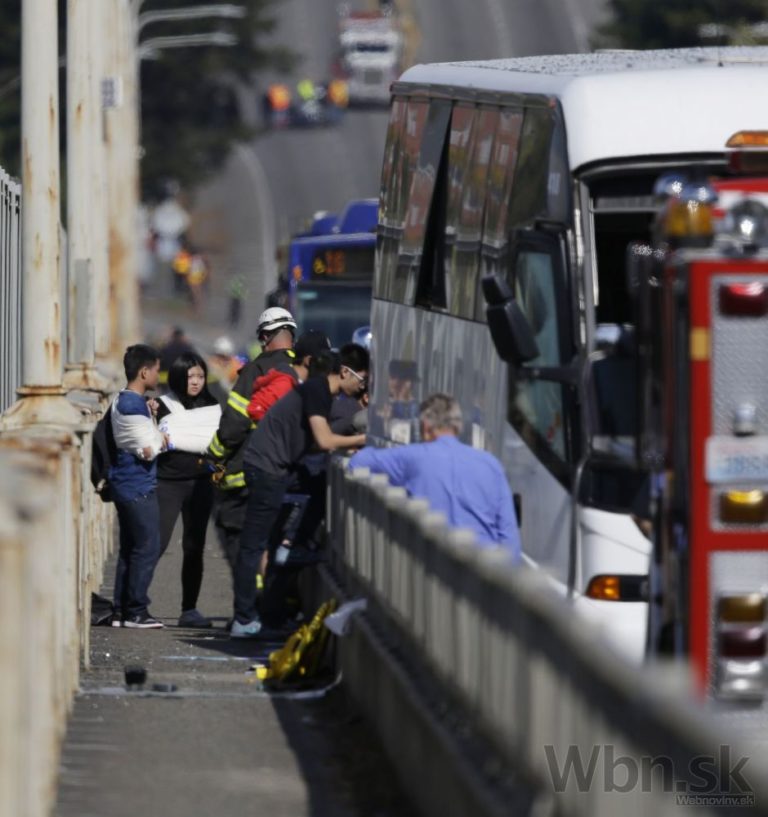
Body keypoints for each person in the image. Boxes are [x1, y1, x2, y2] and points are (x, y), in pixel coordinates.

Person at [231, 344, 369, 638]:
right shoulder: (318, 390)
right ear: (345, 372)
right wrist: (362, 440)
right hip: (267, 468)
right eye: (362, 379)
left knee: (267, 543)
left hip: (271, 466)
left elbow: (316, 443)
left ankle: (265, 615)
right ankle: (244, 619)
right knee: (253, 545)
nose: (362, 387)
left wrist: (349, 446)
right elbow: (325, 440)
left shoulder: (319, 391)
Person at [349, 393, 521, 559]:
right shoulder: (491, 465)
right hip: (484, 566)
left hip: (431, 566)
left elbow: (358, 461)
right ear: (459, 426)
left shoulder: (413, 457)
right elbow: (509, 535)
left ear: (425, 427)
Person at [205, 307, 299, 576]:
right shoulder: (303, 371)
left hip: (246, 475)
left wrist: (213, 455)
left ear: (265, 337)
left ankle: (252, 595)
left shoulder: (256, 371)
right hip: (289, 475)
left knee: (241, 541)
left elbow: (234, 425)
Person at [156, 353, 221, 628]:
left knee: (195, 546)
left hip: (201, 482)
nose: (195, 382)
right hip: (168, 482)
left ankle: (189, 609)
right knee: (156, 543)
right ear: (177, 377)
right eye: (190, 376)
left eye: (200, 376)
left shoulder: (212, 406)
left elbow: (218, 439)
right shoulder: (160, 405)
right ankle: (132, 604)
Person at [109, 344, 167, 628]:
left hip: (126, 484)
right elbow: (151, 448)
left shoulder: (126, 400)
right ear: (144, 372)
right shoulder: (132, 406)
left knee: (130, 548)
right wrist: (161, 437)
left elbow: (145, 441)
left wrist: (151, 420)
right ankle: (136, 611)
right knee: (147, 547)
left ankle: (121, 610)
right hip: (137, 487)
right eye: (156, 370)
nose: (158, 375)